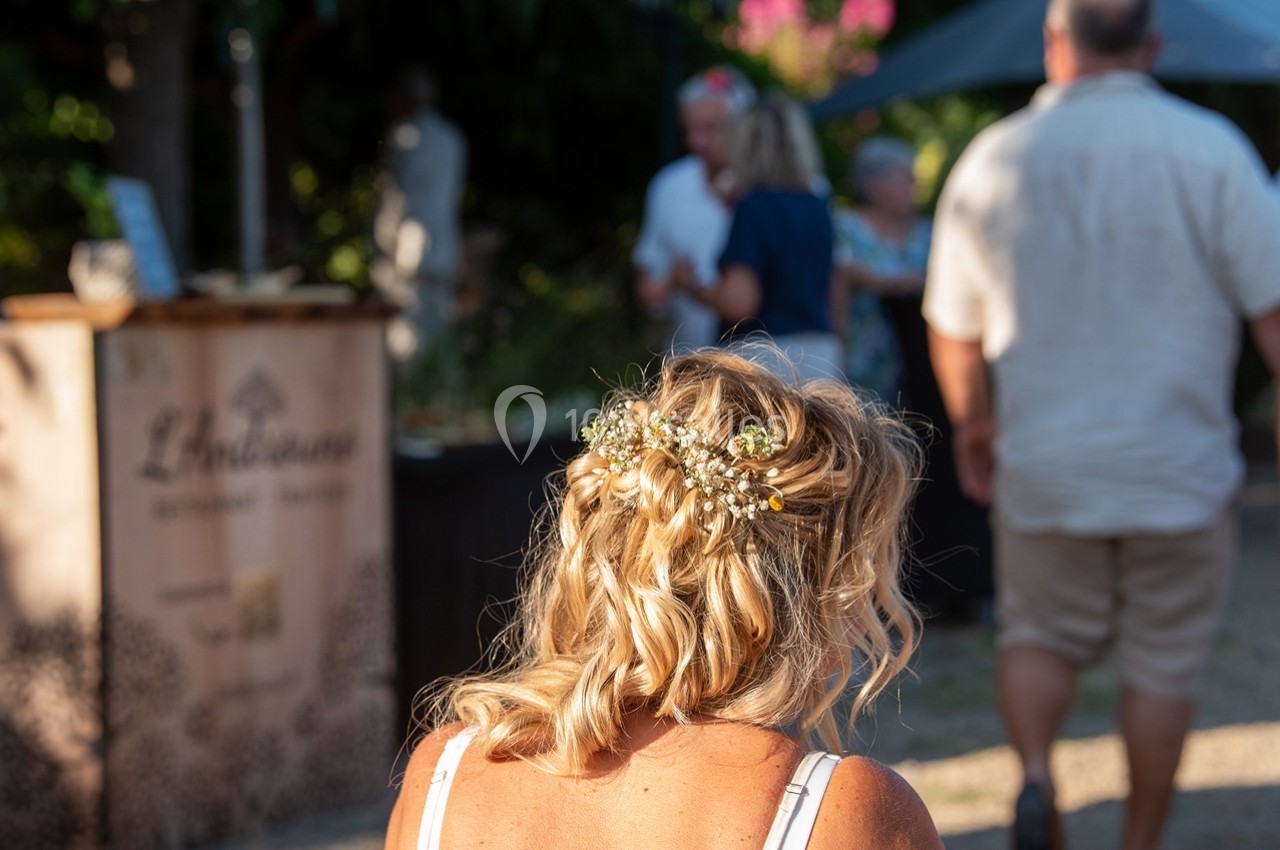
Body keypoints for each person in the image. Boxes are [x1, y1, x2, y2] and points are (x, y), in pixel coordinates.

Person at [922, 1, 1280, 849]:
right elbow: (1272, 310)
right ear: (1153, 46)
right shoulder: (1213, 151)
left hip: (1044, 457)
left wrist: (976, 427)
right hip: (1179, 462)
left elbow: (953, 325)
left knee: (1038, 632)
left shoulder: (993, 157)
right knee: (1165, 662)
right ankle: (1139, 839)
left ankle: (1039, 778)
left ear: (1053, 43)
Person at [384, 350, 943, 850]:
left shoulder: (442, 775)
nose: (870, 605)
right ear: (814, 589)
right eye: (865, 567)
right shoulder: (845, 811)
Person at [672, 92, 841, 383]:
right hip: (821, 354)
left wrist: (693, 288)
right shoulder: (817, 205)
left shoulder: (753, 207)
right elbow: (833, 290)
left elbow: (740, 303)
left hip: (766, 362)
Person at [633, 67, 756, 353]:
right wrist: (661, 289)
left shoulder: (778, 187)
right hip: (691, 367)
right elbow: (650, 278)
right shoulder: (670, 186)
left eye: (711, 129)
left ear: (746, 126)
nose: (695, 142)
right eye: (690, 129)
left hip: (766, 370)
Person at [372, 67, 468, 367]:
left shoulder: (405, 137)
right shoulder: (452, 138)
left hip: (408, 262)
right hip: (443, 258)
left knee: (405, 359)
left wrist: (383, 250)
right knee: (438, 353)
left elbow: (397, 202)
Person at [834, 136, 929, 404]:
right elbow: (839, 270)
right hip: (861, 369)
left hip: (921, 367)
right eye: (905, 179)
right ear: (873, 185)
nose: (914, 186)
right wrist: (889, 283)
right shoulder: (845, 229)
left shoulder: (926, 233)